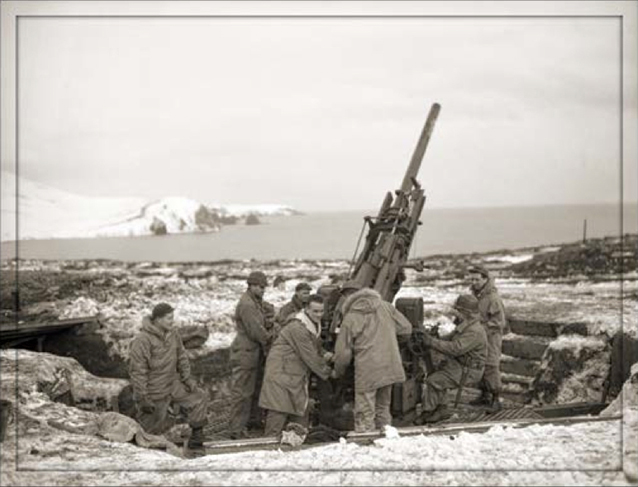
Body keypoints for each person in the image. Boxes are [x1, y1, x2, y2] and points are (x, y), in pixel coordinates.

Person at [332, 282, 413, 433]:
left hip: (368, 370)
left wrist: (338, 371)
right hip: (390, 366)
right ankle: (386, 437)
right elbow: (406, 329)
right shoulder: (386, 306)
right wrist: (391, 343)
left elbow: (343, 354)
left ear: (347, 297)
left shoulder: (351, 317)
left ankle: (364, 440)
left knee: (364, 410)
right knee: (383, 407)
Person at [128, 302, 208, 449]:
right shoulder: (142, 340)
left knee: (198, 398)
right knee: (150, 430)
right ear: (158, 320)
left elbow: (181, 357)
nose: (172, 321)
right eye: (169, 318)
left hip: (173, 383)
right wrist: (142, 397)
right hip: (154, 389)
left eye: (173, 317)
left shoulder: (173, 334)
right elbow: (137, 371)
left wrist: (187, 378)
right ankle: (143, 453)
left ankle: (196, 443)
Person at [259, 294, 333, 437]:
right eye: (315, 311)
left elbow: (316, 347)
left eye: (321, 311)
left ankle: (297, 443)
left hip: (292, 374)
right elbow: (310, 356)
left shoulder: (310, 325)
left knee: (299, 411)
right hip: (281, 373)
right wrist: (329, 372)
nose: (319, 315)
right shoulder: (297, 328)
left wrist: (325, 354)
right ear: (306, 309)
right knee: (278, 411)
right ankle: (268, 447)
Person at [414, 294, 488, 424]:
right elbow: (448, 339)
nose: (456, 314)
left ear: (466, 312)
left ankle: (428, 412)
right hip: (460, 365)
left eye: (458, 311)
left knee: (434, 381)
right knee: (436, 374)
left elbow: (455, 348)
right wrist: (433, 337)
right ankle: (440, 409)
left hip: (469, 370)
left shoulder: (474, 331)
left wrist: (431, 342)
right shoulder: (467, 326)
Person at [227, 271, 272, 439]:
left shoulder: (255, 302)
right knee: (242, 393)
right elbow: (256, 331)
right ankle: (236, 430)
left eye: (264, 287)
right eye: (260, 287)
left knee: (252, 391)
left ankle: (249, 424)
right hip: (246, 353)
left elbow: (260, 323)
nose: (263, 290)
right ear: (251, 285)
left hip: (253, 352)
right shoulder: (247, 304)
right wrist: (270, 337)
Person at [467, 264, 507, 412]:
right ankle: (484, 396)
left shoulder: (493, 298)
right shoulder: (476, 296)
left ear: (485, 279)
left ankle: (496, 400)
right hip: (478, 338)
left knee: (491, 366)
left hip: (491, 339)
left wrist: (480, 330)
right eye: (471, 280)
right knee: (480, 365)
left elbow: (499, 322)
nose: (474, 283)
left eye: (477, 279)